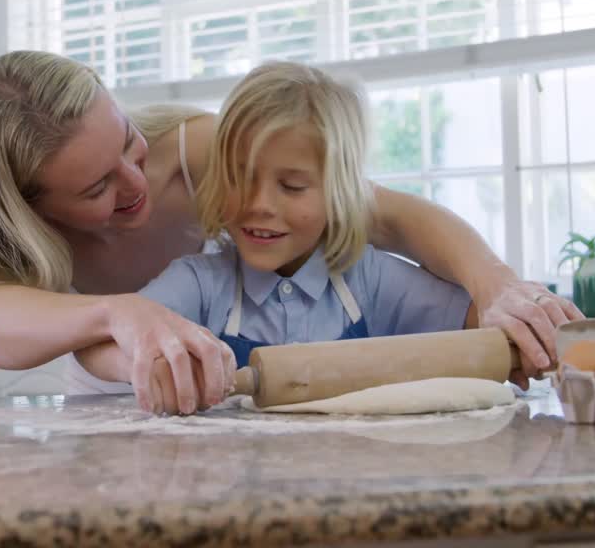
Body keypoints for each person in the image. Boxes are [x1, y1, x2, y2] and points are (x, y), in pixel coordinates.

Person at [0, 51, 582, 416]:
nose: (136, 181)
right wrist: (125, 325)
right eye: (98, 187)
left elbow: (381, 212)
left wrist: (500, 291)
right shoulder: (183, 284)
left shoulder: (215, 151)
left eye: (129, 141)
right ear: (31, 208)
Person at [75, 63, 479, 408]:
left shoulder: (370, 282)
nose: (260, 204)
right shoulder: (201, 286)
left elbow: (475, 323)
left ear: (336, 193)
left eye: (292, 186)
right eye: (240, 178)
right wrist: (144, 364)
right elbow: (96, 342)